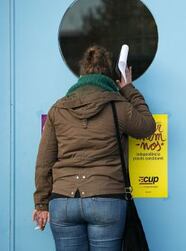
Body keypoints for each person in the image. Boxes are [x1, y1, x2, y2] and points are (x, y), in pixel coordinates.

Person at [32, 45, 156, 250]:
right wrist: (128, 88)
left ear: (81, 74)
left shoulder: (58, 109)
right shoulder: (119, 106)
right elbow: (147, 127)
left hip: (63, 202)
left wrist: (41, 204)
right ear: (111, 75)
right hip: (106, 200)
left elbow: (44, 162)